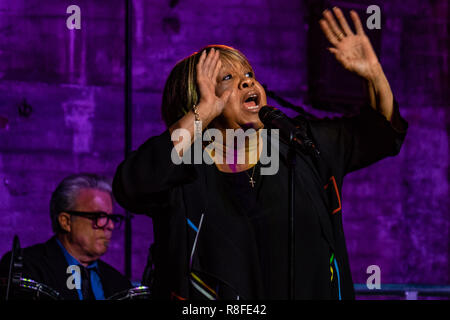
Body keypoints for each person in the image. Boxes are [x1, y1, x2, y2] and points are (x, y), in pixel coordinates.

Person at [113, 8, 408, 300]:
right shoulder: (182, 172)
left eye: (249, 74)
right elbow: (132, 185)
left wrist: (374, 75)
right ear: (194, 97)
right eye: (227, 77)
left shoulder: (301, 145)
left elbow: (381, 136)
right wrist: (202, 112)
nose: (247, 81)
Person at [0, 173, 131, 300]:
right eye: (99, 217)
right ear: (66, 222)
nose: (110, 226)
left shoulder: (119, 283)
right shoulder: (26, 267)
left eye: (111, 218)